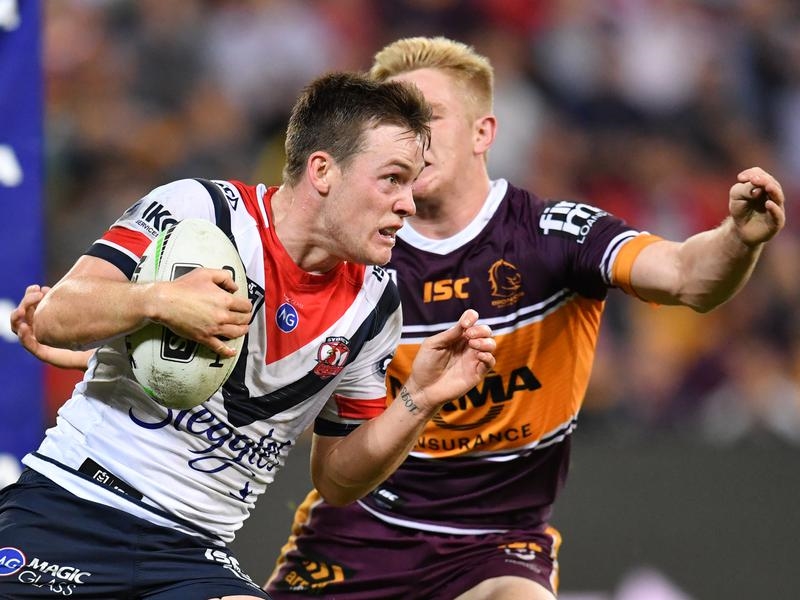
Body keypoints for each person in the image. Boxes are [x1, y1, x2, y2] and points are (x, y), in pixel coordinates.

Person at [259, 38, 786, 600]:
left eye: (430, 116)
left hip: (496, 547)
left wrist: (739, 238)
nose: (415, 139)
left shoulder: (554, 235)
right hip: (359, 537)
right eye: (399, 124)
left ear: (483, 133)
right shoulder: (354, 255)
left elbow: (687, 276)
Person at [1, 71, 497, 600]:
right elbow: (53, 316)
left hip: (189, 555)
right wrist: (157, 299)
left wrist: (419, 399)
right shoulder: (201, 212)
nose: (408, 204)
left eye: (412, 184)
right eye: (392, 179)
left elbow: (336, 480)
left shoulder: (376, 305)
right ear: (323, 170)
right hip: (68, 504)